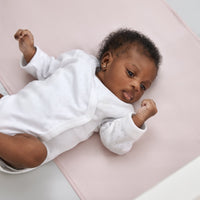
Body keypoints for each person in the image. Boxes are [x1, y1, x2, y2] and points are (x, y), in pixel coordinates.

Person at [0, 28, 161, 173]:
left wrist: (139, 119)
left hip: (27, 140)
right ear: (106, 61)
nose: (136, 86)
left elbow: (115, 141)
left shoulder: (120, 110)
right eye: (131, 74)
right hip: (13, 106)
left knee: (35, 154)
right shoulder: (80, 61)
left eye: (143, 86)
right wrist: (31, 53)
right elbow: (49, 69)